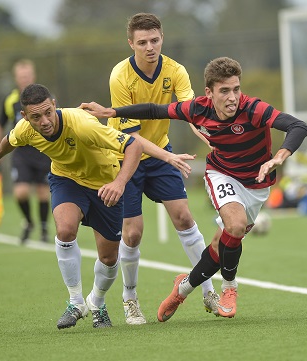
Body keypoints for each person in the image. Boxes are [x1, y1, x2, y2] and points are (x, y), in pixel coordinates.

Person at [80, 56, 307, 320]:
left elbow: (297, 126)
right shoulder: (196, 109)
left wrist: (279, 156)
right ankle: (229, 288)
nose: (232, 97)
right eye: (224, 91)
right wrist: (114, 112)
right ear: (209, 93)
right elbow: (155, 109)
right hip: (221, 174)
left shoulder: (254, 109)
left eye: (236, 89)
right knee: (234, 226)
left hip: (257, 185)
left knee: (219, 245)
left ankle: (183, 288)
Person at [0, 84, 194, 329]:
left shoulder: (82, 125)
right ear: (25, 117)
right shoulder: (25, 129)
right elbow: (11, 140)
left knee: (109, 257)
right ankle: (75, 302)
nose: (45, 121)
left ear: (54, 104)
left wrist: (119, 183)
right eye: (36, 117)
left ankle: (97, 302)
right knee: (65, 230)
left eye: (48, 112)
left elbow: (133, 146)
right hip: (66, 179)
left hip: (105, 183)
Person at [106, 12, 217, 325]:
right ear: (131, 44)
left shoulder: (175, 70)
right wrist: (169, 157)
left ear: (162, 39)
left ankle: (208, 290)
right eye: (142, 42)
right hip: (125, 155)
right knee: (133, 233)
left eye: (154, 40)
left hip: (161, 154)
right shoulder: (120, 77)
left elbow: (192, 111)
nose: (149, 47)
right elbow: (134, 140)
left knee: (183, 216)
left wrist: (208, 134)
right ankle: (130, 299)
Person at [0, 59, 51, 243]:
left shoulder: (44, 98)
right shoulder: (10, 100)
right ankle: (29, 222)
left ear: (33, 76)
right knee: (21, 192)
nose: (25, 79)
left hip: (43, 151)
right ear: (16, 79)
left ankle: (43, 228)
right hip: (21, 153)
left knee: (43, 192)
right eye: (21, 76)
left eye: (28, 76)